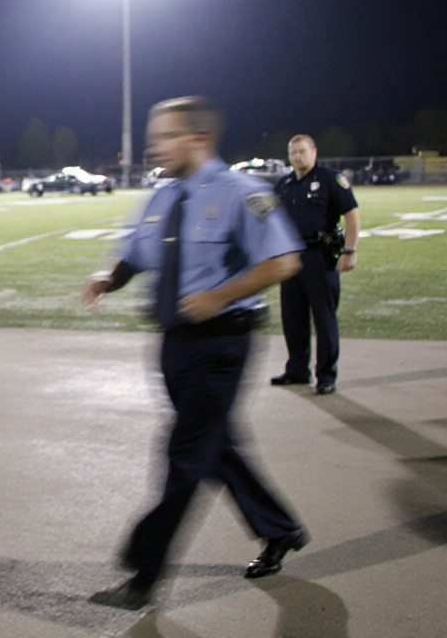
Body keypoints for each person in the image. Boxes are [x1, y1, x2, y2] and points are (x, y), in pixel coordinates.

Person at [81, 96, 309, 610]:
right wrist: (106, 277)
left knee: (184, 454)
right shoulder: (163, 196)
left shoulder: (242, 192)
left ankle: (145, 569)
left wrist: (219, 296)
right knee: (213, 445)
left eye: (164, 137)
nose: (154, 147)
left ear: (198, 139)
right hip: (174, 344)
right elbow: (134, 252)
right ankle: (280, 529)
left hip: (222, 343)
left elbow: (284, 261)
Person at [270, 135, 360, 395]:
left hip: (320, 257)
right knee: (293, 318)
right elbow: (272, 218)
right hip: (290, 258)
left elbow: (352, 216)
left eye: (302, 151)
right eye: (293, 152)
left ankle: (326, 376)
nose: (297, 156)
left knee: (324, 318)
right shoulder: (284, 184)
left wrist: (350, 251)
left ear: (314, 152)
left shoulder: (331, 180)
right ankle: (297, 370)